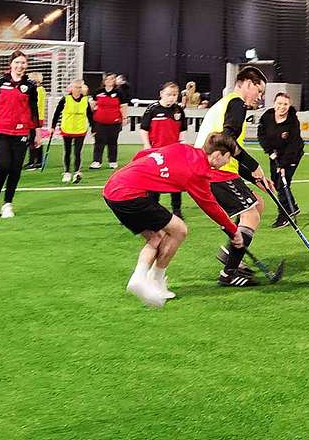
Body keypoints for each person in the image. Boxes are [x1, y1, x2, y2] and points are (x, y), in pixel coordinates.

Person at [103, 133, 244, 308]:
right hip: (130, 194)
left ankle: (140, 277)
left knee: (156, 237)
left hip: (112, 188)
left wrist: (141, 175)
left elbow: (142, 155)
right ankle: (154, 281)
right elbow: (210, 205)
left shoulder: (182, 148)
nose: (227, 162)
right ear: (216, 155)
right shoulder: (198, 172)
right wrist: (233, 230)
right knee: (179, 230)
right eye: (227, 158)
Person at [194, 66, 274, 287]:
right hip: (216, 172)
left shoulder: (224, 103)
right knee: (251, 216)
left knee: (257, 204)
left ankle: (230, 253)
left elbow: (227, 148)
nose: (259, 97)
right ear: (248, 83)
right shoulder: (236, 103)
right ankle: (229, 273)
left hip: (216, 170)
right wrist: (253, 165)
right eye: (259, 91)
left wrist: (254, 176)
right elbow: (226, 141)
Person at [0, 50, 40, 219]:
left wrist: (37, 131)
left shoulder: (30, 85)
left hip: (22, 131)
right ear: (11, 64)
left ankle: (8, 203)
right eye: (17, 62)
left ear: (26, 65)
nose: (20, 66)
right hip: (1, 130)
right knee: (4, 165)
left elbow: (34, 110)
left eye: (23, 63)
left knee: (16, 169)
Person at [139, 82, 188, 218]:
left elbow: (182, 131)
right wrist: (147, 146)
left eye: (174, 95)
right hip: (156, 152)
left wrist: (182, 145)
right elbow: (144, 129)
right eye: (168, 95)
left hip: (174, 153)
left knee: (176, 181)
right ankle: (153, 207)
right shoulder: (152, 109)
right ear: (161, 94)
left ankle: (176, 210)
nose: (172, 98)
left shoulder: (178, 110)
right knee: (154, 180)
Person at [257, 92, 304, 228]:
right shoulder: (267, 116)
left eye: (285, 104)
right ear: (274, 103)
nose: (282, 107)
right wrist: (270, 151)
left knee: (283, 184)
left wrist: (283, 165)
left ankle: (285, 215)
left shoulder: (293, 122)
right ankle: (292, 207)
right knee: (277, 184)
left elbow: (293, 145)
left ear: (289, 106)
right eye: (279, 103)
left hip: (292, 155)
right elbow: (261, 135)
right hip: (275, 154)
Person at [52, 78, 93, 184]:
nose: (78, 89)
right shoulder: (65, 99)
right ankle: (66, 172)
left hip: (80, 129)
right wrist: (53, 126)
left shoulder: (85, 100)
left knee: (77, 152)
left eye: (80, 87)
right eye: (76, 87)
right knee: (67, 151)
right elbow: (57, 113)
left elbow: (89, 114)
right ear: (72, 88)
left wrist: (93, 127)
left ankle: (77, 172)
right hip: (67, 129)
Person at [90, 72, 128, 169]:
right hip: (99, 121)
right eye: (107, 79)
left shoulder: (119, 92)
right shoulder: (98, 91)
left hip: (114, 121)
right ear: (104, 81)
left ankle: (112, 161)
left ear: (114, 81)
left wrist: (124, 118)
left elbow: (123, 106)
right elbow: (92, 105)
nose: (109, 81)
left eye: (111, 79)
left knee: (112, 141)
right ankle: (97, 161)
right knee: (99, 141)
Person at [23, 71, 46, 170]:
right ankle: (38, 161)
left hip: (35, 118)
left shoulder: (38, 90)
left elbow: (34, 104)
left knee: (32, 139)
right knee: (34, 139)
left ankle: (33, 161)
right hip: (37, 117)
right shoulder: (41, 90)